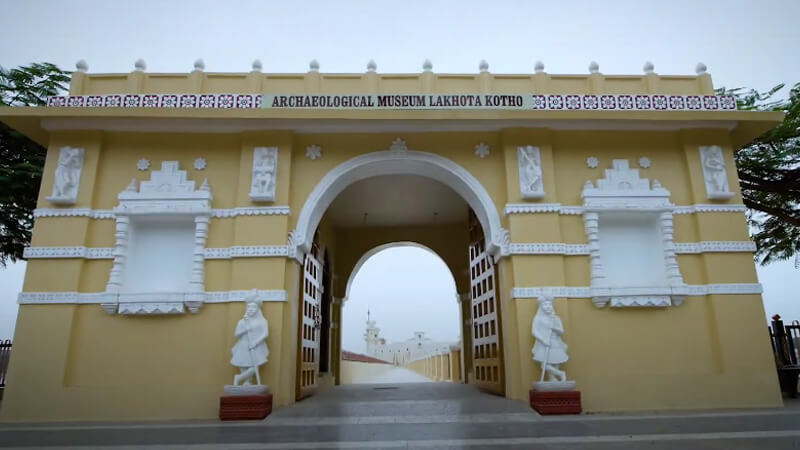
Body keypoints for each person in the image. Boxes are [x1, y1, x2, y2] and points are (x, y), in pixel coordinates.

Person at [231, 290, 269, 386]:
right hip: (243, 345)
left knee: (255, 366)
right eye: (249, 307)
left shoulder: (263, 321)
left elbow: (265, 333)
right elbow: (237, 334)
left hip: (256, 346)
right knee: (243, 364)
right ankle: (247, 382)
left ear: (258, 309)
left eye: (253, 307)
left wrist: (256, 342)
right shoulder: (242, 322)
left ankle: (239, 378)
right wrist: (245, 329)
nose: (251, 309)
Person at [532, 295, 568, 382]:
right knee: (543, 364)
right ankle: (560, 373)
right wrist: (543, 340)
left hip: (555, 342)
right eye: (545, 304)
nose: (548, 306)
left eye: (549, 304)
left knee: (556, 361)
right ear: (541, 306)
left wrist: (554, 328)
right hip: (544, 343)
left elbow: (561, 331)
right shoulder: (538, 318)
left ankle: (552, 378)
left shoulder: (555, 318)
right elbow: (534, 331)